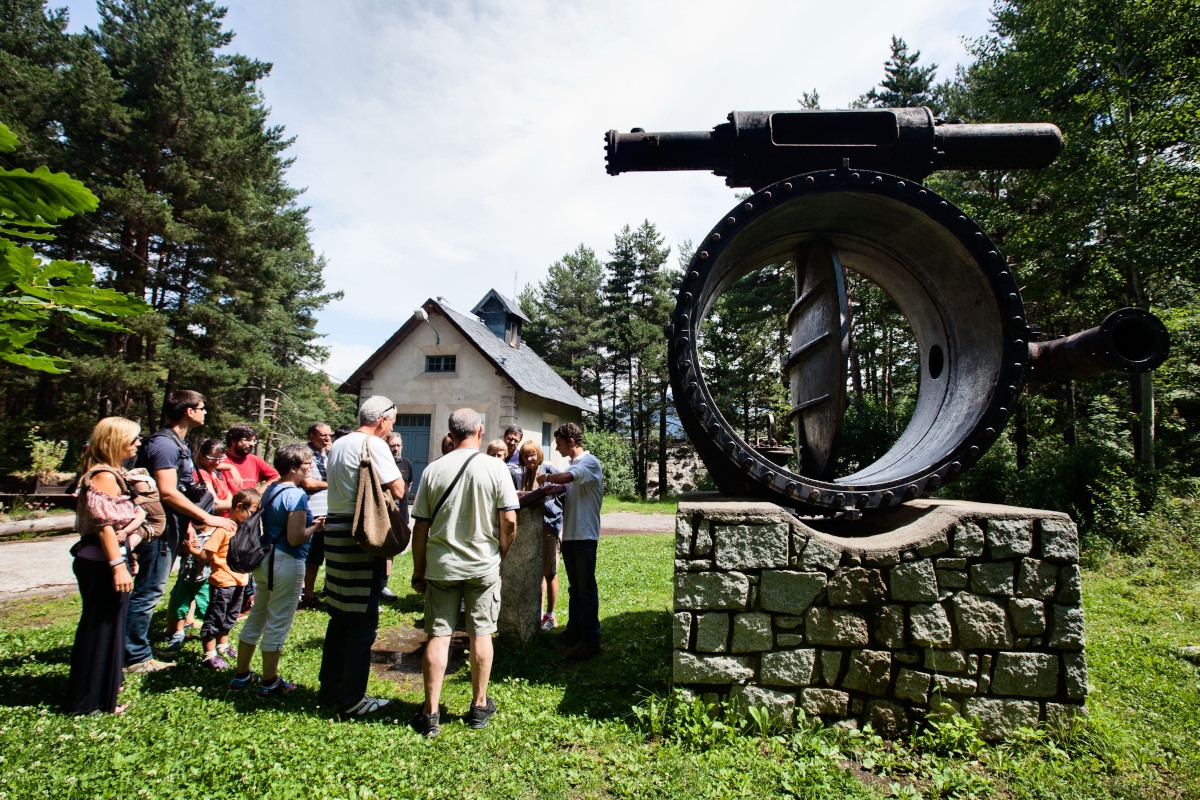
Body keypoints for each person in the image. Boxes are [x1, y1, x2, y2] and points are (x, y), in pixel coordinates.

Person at [410, 408, 519, 738]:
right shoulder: (496, 468)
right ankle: (478, 706)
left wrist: (419, 570)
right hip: (481, 565)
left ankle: (430, 712)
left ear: (450, 433)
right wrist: (500, 553)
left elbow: (421, 528)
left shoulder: (433, 470)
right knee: (481, 632)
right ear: (480, 432)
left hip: (442, 565)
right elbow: (510, 522)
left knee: (438, 635)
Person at [127, 390, 235, 673]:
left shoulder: (179, 443)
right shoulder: (164, 445)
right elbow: (167, 492)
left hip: (174, 526)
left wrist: (187, 525)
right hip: (157, 529)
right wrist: (207, 519)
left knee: (153, 588)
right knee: (149, 590)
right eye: (202, 407)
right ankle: (135, 656)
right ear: (189, 411)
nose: (205, 412)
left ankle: (133, 648)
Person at [317, 396, 405, 716]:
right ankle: (352, 699)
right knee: (363, 620)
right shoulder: (373, 444)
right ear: (381, 419)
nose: (391, 428)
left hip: (336, 528)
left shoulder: (339, 444)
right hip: (361, 532)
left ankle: (330, 688)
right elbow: (397, 489)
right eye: (392, 421)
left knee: (340, 615)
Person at [230, 444, 325, 695]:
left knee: (258, 615)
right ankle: (269, 682)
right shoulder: (296, 495)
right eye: (306, 464)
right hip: (286, 562)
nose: (310, 467)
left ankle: (242, 675)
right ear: (294, 468)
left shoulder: (271, 489)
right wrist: (316, 527)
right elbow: (295, 537)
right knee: (278, 622)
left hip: (264, 561)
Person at [69, 417, 145, 714]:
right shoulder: (103, 476)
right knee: (99, 629)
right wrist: (117, 565)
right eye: (133, 439)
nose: (138, 444)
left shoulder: (113, 474)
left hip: (107, 561)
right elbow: (104, 527)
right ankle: (89, 701)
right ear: (114, 441)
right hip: (100, 564)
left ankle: (103, 693)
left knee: (109, 628)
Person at [537, 422, 604, 660]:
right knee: (575, 588)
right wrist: (544, 490)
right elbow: (563, 486)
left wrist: (545, 476)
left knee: (586, 590)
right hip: (572, 535)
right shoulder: (575, 464)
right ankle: (574, 631)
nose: (557, 446)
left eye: (559, 442)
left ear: (571, 441)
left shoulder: (589, 463)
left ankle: (591, 640)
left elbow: (567, 477)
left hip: (585, 536)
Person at [182, 488, 259, 669]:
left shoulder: (243, 528)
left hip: (240, 581)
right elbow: (205, 556)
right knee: (216, 616)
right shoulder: (223, 529)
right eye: (252, 512)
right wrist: (191, 550)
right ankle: (209, 654)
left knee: (230, 616)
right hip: (223, 581)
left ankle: (222, 645)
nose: (253, 516)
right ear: (239, 507)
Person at [517, 441, 564, 631]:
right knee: (539, 574)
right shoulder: (526, 474)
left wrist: (529, 494)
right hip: (534, 527)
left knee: (550, 572)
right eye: (526, 456)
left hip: (549, 526)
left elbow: (561, 492)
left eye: (533, 455)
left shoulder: (549, 469)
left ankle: (551, 615)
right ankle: (540, 612)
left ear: (539, 454)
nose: (529, 459)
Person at [300, 422, 332, 607]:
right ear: (312, 436)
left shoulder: (328, 454)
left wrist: (330, 456)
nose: (328, 438)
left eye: (330, 434)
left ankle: (329, 590)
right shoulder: (304, 453)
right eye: (323, 435)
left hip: (330, 510)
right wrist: (333, 484)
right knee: (313, 556)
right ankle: (308, 593)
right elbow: (308, 483)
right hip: (312, 512)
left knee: (330, 553)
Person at [380, 432, 414, 601]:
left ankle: (383, 584)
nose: (395, 448)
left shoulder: (406, 463)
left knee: (392, 550)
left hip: (401, 515)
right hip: (384, 515)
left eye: (398, 445)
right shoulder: (382, 463)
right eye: (392, 445)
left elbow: (408, 486)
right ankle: (379, 585)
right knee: (382, 549)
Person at [224, 424, 279, 489]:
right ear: (233, 441)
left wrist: (259, 493)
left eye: (253, 441)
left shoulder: (254, 460)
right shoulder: (219, 460)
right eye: (247, 440)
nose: (252, 444)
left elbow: (276, 476)